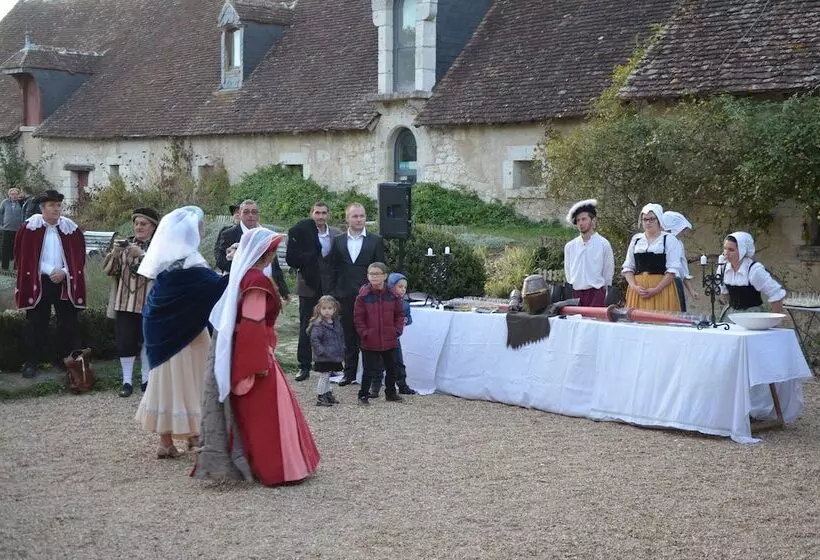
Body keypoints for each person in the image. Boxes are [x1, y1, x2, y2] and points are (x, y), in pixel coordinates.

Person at [197, 227, 320, 485]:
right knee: (267, 413)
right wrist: (256, 362)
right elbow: (253, 322)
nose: (274, 254)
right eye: (273, 250)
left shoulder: (244, 275)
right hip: (255, 352)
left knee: (258, 413)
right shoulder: (256, 280)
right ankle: (277, 467)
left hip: (248, 347)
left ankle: (258, 462)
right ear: (268, 253)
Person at [135, 206, 229, 459]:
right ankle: (195, 436)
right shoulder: (192, 264)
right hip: (187, 334)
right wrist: (240, 263)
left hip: (160, 330)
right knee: (194, 381)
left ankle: (167, 441)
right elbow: (218, 288)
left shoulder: (167, 261)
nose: (202, 229)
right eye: (200, 226)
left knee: (166, 382)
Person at [14, 189, 86, 379]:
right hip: (40, 281)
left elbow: (78, 257)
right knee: (35, 322)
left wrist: (64, 271)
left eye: (58, 205)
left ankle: (65, 359)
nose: (56, 209)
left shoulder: (70, 228)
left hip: (65, 282)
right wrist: (49, 270)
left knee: (68, 322)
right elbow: (24, 257)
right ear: (42, 208)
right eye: (52, 205)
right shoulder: (30, 228)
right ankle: (31, 362)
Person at [103, 207, 159, 397]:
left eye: (143, 224)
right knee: (125, 342)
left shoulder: (159, 246)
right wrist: (116, 254)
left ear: (153, 227)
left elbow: (162, 270)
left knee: (147, 341)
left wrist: (142, 254)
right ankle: (126, 381)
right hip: (125, 301)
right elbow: (110, 271)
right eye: (136, 224)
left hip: (149, 302)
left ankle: (146, 380)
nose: (139, 227)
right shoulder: (125, 244)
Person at [330, 203, 385, 386]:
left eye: (362, 216)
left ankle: (371, 375)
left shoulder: (375, 240)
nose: (359, 219)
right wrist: (332, 293)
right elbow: (333, 268)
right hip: (344, 295)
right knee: (348, 336)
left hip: (368, 296)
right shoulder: (337, 241)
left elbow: (380, 268)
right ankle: (349, 373)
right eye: (355, 216)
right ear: (347, 219)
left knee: (368, 335)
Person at [286, 202, 341, 381]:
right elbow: (293, 257)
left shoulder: (336, 234)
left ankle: (330, 365)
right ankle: (304, 365)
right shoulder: (302, 232)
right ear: (312, 213)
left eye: (324, 213)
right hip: (308, 284)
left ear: (328, 214)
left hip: (329, 284)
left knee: (330, 325)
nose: (321, 216)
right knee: (306, 325)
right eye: (317, 212)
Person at [214, 199, 289, 298]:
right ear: (240, 214)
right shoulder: (229, 234)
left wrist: (283, 290)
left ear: (258, 215)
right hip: (238, 286)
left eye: (254, 212)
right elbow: (221, 261)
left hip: (265, 286)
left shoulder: (265, 235)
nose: (250, 215)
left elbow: (274, 264)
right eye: (246, 212)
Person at [354, 262, 405, 405]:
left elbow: (399, 315)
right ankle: (363, 395)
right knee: (369, 370)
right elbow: (358, 318)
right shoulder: (363, 296)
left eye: (377, 274)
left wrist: (397, 330)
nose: (374, 277)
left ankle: (390, 393)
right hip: (370, 340)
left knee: (392, 368)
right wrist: (364, 333)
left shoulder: (393, 295)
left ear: (385, 276)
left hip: (390, 338)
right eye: (371, 274)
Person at [622, 203, 684, 312]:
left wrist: (656, 290)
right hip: (637, 291)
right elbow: (628, 267)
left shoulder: (669, 240)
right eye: (645, 219)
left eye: (651, 219)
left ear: (659, 220)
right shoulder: (636, 240)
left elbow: (672, 270)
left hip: (662, 290)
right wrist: (634, 286)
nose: (648, 222)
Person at [369, 272, 417, 397]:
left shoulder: (405, 304)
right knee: (378, 363)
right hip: (380, 339)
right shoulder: (383, 301)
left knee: (398, 362)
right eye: (399, 286)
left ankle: (402, 385)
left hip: (394, 338)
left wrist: (404, 321)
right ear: (391, 286)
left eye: (405, 287)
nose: (403, 290)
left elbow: (408, 319)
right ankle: (375, 387)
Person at [720, 231, 785, 318]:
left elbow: (776, 294)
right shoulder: (723, 268)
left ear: (742, 251)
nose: (726, 253)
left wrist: (773, 323)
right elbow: (725, 293)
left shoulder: (754, 269)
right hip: (732, 315)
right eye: (725, 248)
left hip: (753, 316)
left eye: (731, 250)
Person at [563, 199, 614, 307]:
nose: (580, 223)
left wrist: (604, 293)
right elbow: (568, 273)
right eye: (578, 220)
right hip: (575, 296)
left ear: (593, 220)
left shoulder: (603, 244)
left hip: (596, 295)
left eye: (584, 219)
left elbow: (608, 273)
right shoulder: (570, 246)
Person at [308, 295, 344, 406]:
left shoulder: (336, 323)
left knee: (329, 376)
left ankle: (327, 393)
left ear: (334, 309)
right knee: (324, 376)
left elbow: (340, 337)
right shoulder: (318, 325)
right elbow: (315, 340)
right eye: (324, 308)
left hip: (334, 355)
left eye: (329, 308)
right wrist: (321, 351)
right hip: (323, 356)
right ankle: (320, 396)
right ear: (319, 309)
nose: (327, 311)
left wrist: (342, 348)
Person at [662, 211, 698, 312]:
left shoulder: (679, 244)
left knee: (676, 311)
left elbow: (683, 269)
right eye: (682, 229)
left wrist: (691, 290)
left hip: (675, 283)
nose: (683, 232)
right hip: (660, 281)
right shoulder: (659, 242)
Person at [0, 187, 24, 270]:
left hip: (17, 229)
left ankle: (16, 266)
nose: (14, 196)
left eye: (16, 194)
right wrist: (1, 224)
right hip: (6, 229)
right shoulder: (5, 202)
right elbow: (1, 213)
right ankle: (4, 266)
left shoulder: (21, 203)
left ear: (18, 195)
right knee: (5, 248)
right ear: (9, 195)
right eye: (12, 194)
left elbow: (24, 214)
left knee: (16, 248)